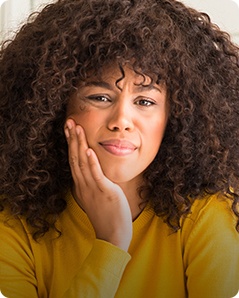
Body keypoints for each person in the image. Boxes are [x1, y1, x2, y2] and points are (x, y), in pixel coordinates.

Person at [0, 0, 239, 297]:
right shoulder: (13, 224)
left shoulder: (208, 213)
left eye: (145, 101)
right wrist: (111, 245)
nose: (121, 121)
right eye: (100, 97)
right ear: (55, 106)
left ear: (174, 117)